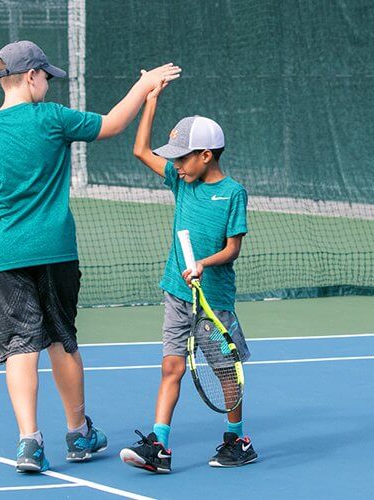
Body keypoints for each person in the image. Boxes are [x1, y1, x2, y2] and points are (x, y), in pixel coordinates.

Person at [0, 40, 181, 473]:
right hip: (56, 253)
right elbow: (113, 124)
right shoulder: (53, 118)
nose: (48, 84)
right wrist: (145, 84)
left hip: (5, 257)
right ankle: (78, 434)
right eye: (46, 76)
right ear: (31, 76)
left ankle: (29, 443)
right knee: (62, 341)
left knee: (20, 348)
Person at [119, 78, 257, 473]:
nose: (176, 165)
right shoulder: (180, 183)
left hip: (214, 302)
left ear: (207, 156)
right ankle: (158, 446)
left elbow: (232, 249)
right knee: (171, 367)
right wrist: (151, 100)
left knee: (226, 372)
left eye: (182, 158)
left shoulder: (233, 193)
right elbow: (140, 150)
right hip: (177, 294)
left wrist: (203, 264)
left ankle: (237, 439)